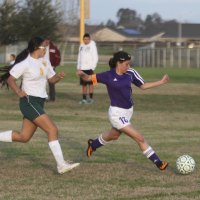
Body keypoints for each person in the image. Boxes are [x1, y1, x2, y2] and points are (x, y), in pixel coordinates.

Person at [77, 51, 170, 170]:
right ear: (118, 63)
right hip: (116, 113)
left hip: (128, 111)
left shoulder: (131, 73)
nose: (129, 66)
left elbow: (143, 86)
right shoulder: (108, 75)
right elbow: (89, 78)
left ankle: (93, 144)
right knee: (139, 138)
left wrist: (161, 82)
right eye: (126, 64)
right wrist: (82, 74)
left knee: (114, 135)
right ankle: (159, 163)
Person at [0, 37, 80, 174]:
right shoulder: (25, 63)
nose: (46, 50)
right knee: (52, 130)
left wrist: (58, 77)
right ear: (37, 47)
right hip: (28, 101)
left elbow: (51, 80)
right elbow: (10, 79)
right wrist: (18, 91)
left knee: (24, 137)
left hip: (39, 102)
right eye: (44, 47)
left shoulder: (45, 61)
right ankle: (61, 165)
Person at [77, 33, 98, 104]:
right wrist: (78, 67)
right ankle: (84, 99)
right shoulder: (81, 46)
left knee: (91, 84)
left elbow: (95, 57)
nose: (86, 40)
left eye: (87, 39)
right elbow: (79, 57)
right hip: (82, 68)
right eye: (84, 39)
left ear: (90, 39)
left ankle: (91, 99)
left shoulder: (93, 46)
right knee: (84, 84)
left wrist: (93, 67)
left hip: (90, 69)